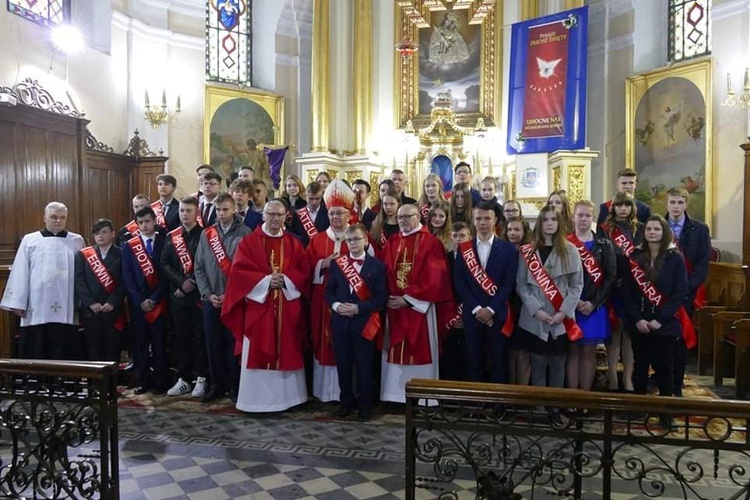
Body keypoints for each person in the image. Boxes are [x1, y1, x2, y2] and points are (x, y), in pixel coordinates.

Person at [222, 199, 311, 412]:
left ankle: (289, 400)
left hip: (286, 308)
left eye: (279, 215)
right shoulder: (250, 242)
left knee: (287, 346)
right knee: (258, 346)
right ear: (263, 215)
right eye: (270, 214)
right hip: (259, 309)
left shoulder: (293, 243)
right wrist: (266, 281)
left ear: (285, 217)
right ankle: (256, 401)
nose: (274, 218)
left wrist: (286, 280)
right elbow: (239, 273)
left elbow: (303, 270)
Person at [380, 204, 453, 403]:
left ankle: (424, 397)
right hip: (394, 307)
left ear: (418, 216)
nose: (402, 220)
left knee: (421, 348)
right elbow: (382, 273)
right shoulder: (393, 241)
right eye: (400, 217)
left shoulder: (431, 243)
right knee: (394, 351)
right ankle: (394, 396)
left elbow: (436, 277)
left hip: (420, 308)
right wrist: (387, 297)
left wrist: (407, 299)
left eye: (407, 216)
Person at [2, 202, 85, 359]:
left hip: (66, 303)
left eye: (62, 218)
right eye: (54, 217)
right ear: (45, 218)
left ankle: (65, 381)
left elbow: (82, 273)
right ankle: (35, 382)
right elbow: (20, 271)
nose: (58, 221)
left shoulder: (76, 240)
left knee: (64, 343)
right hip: (37, 304)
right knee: (37, 344)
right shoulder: (30, 240)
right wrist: (18, 303)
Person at [623, 215, 689, 406]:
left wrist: (660, 319)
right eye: (649, 229)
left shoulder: (675, 258)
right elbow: (627, 291)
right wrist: (637, 319)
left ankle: (665, 413)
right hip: (640, 323)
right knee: (640, 366)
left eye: (657, 229)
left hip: (665, 324)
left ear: (664, 232)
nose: (652, 232)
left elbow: (680, 292)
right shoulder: (634, 257)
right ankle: (639, 408)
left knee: (665, 368)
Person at [516, 205, 583, 391]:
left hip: (560, 318)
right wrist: (537, 311)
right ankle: (539, 408)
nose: (550, 223)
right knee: (537, 362)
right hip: (534, 318)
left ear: (559, 223)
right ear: (539, 223)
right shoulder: (527, 251)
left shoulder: (571, 250)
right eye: (545, 219)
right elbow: (521, 284)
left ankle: (556, 407)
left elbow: (577, 285)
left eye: (553, 219)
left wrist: (563, 312)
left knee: (558, 363)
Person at [325, 223, 387, 421]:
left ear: (366, 240)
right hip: (341, 321)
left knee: (364, 366)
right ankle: (346, 402)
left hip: (364, 322)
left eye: (356, 239)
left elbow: (380, 297)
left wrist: (359, 308)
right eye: (349, 240)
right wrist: (336, 306)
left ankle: (365, 406)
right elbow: (329, 291)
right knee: (343, 364)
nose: (352, 243)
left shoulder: (377, 266)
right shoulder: (338, 263)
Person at [194, 193, 251, 403]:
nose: (222, 213)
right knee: (213, 344)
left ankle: (235, 386)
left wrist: (231, 295)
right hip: (211, 300)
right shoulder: (207, 234)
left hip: (234, 300)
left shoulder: (245, 233)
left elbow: (248, 270)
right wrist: (208, 294)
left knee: (232, 344)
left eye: (226, 209)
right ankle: (217, 384)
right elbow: (198, 267)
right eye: (218, 210)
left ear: (234, 209)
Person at [306, 180, 358, 402]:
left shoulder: (358, 238)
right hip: (323, 302)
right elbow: (305, 269)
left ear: (349, 214)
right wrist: (322, 264)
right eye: (332, 213)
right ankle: (325, 392)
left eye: (340, 213)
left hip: (351, 303)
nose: (335, 217)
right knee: (323, 341)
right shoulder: (317, 240)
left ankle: (348, 392)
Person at [454, 202, 518, 383]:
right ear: (473, 221)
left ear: (495, 220)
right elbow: (460, 282)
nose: (483, 222)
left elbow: (508, 283)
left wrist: (490, 309)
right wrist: (476, 309)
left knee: (499, 361)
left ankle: (499, 406)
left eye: (487, 218)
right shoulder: (464, 248)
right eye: (479, 218)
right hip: (472, 314)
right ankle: (475, 406)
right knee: (473, 361)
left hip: (497, 315)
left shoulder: (508, 249)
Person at [565, 200, 616, 391]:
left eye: (587, 215)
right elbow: (559, 277)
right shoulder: (565, 243)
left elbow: (610, 277)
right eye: (580, 215)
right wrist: (574, 301)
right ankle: (572, 397)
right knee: (572, 351)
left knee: (588, 352)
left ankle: (585, 398)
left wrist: (594, 303)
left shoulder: (604, 245)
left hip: (594, 307)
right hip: (570, 307)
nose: (583, 219)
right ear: (573, 217)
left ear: (593, 217)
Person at [160, 196, 208, 398]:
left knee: (199, 338)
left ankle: (201, 378)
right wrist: (181, 283)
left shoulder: (205, 234)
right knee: (181, 339)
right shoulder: (172, 236)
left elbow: (206, 264)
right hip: (178, 296)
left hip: (198, 296)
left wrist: (192, 284)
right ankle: (183, 378)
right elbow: (164, 263)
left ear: (196, 212)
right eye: (181, 211)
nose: (184, 214)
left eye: (188, 210)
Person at [665, 187, 710, 396]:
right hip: (660, 296)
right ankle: (661, 377)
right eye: (672, 202)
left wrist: (685, 289)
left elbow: (702, 264)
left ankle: (678, 381)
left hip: (685, 295)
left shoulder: (700, 230)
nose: (676, 207)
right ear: (666, 204)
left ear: (686, 204)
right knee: (662, 339)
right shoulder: (656, 226)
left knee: (681, 337)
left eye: (680, 203)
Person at [598, 192, 643, 392]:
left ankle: (628, 379)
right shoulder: (605, 230)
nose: (623, 209)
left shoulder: (640, 229)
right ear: (613, 208)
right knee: (614, 333)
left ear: (632, 207)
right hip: (612, 287)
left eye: (627, 205)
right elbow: (599, 259)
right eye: (619, 205)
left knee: (630, 334)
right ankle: (613, 378)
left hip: (634, 287)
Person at [121, 206, 169, 394]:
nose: (144, 225)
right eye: (140, 222)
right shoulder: (128, 246)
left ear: (154, 221)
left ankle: (161, 380)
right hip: (138, 304)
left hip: (159, 302)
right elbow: (127, 276)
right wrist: (140, 300)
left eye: (147, 221)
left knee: (159, 343)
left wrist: (155, 298)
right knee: (140, 343)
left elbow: (166, 273)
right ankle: (143, 380)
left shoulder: (164, 242)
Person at [74, 218, 125, 362]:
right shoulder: (84, 255)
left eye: (104, 232)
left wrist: (112, 302)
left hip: (112, 310)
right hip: (91, 311)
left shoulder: (122, 254)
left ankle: (111, 384)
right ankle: (93, 384)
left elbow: (124, 282)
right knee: (92, 349)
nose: (100, 236)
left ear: (113, 233)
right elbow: (79, 280)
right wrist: (90, 303)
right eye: (97, 233)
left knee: (112, 349)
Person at [501, 216, 532, 385]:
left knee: (523, 351)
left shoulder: (530, 251)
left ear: (524, 232)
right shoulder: (500, 249)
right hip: (506, 304)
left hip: (524, 304)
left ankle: (523, 391)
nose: (513, 233)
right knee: (510, 351)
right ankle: (511, 391)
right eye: (510, 229)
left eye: (517, 229)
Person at [442, 222, 472, 381]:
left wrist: (465, 314)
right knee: (450, 356)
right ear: (450, 237)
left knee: (471, 356)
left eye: (462, 236)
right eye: (455, 236)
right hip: (449, 314)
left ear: (470, 237)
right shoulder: (444, 259)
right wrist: (453, 315)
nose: (459, 239)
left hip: (471, 313)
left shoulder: (476, 259)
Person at [288, 181, 330, 247]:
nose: (314, 202)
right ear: (305, 196)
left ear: (322, 197)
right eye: (311, 199)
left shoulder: (328, 214)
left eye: (317, 199)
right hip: (302, 252)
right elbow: (294, 236)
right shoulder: (297, 215)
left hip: (322, 251)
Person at [369, 190, 401, 256]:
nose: (388, 207)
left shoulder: (403, 223)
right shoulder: (377, 222)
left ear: (398, 204)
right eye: (385, 204)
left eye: (392, 204)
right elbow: (373, 244)